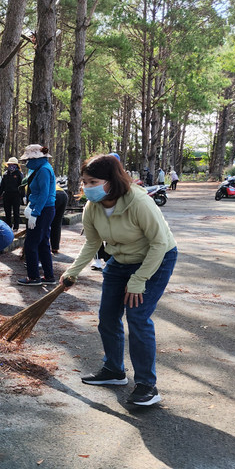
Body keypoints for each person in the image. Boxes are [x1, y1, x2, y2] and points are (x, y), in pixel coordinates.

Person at [60, 154, 177, 406]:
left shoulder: (138, 202)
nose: (87, 187)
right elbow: (92, 243)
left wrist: (139, 280)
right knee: (108, 317)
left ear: (111, 180)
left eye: (93, 182)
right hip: (119, 261)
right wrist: (73, 271)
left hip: (155, 259)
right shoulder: (92, 207)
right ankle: (114, 370)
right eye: (85, 182)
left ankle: (147, 385)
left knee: (137, 317)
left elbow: (158, 243)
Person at [17, 144, 56, 286]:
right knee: (43, 243)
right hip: (43, 209)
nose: (27, 163)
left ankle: (33, 277)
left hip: (43, 210)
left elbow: (44, 193)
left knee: (31, 243)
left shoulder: (44, 170)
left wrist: (35, 212)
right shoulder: (41, 168)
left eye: (29, 160)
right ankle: (49, 275)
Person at [0, 157, 23, 230]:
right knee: (7, 211)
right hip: (7, 195)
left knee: (16, 211)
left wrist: (22, 196)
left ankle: (16, 226)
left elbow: (21, 185)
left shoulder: (19, 174)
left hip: (16, 195)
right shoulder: (5, 174)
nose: (11, 166)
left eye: (12, 164)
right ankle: (8, 225)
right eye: (9, 164)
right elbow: (2, 185)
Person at [50, 183, 69, 254]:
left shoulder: (28, 186)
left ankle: (44, 247)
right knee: (57, 223)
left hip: (55, 195)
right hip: (63, 195)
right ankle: (55, 247)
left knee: (46, 222)